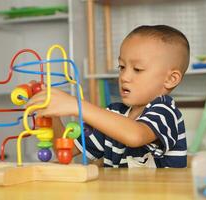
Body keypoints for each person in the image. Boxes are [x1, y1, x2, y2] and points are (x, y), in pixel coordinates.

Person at [26, 25, 190, 168]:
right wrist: (50, 112)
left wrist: (77, 106)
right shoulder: (113, 114)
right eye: (122, 67)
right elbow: (68, 149)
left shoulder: (165, 112)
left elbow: (136, 135)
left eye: (138, 69)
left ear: (170, 79)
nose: (124, 77)